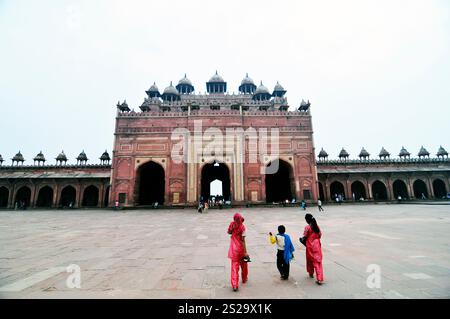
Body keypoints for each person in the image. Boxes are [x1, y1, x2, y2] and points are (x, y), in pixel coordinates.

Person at [227, 213, 249, 291]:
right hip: (241, 249)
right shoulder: (242, 227)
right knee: (244, 265)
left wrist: (232, 231)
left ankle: (235, 285)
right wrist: (245, 252)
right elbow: (243, 241)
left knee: (234, 267)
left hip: (234, 249)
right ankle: (244, 279)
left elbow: (229, 232)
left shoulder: (232, 225)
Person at [302, 213, 324, 285]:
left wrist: (302, 240)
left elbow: (304, 237)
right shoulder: (317, 227)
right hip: (317, 245)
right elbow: (320, 235)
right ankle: (320, 278)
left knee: (310, 260)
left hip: (310, 246)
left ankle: (311, 273)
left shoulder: (307, 227)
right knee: (318, 261)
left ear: (307, 220)